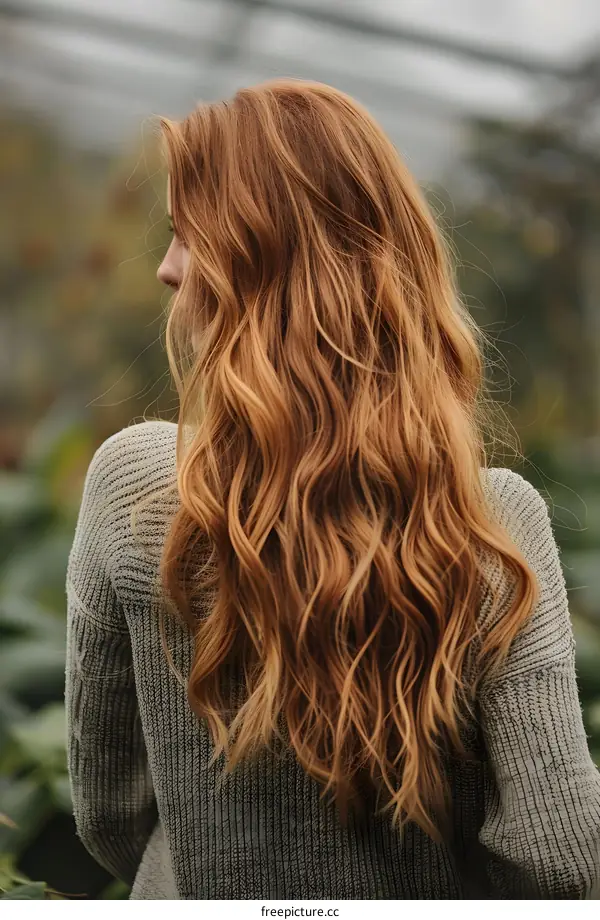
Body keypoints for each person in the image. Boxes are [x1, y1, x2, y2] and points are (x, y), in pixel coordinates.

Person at [64, 78, 600, 900]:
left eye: (189, 236)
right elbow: (561, 857)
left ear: (270, 258)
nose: (169, 270)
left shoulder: (137, 485)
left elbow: (109, 809)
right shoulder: (494, 523)